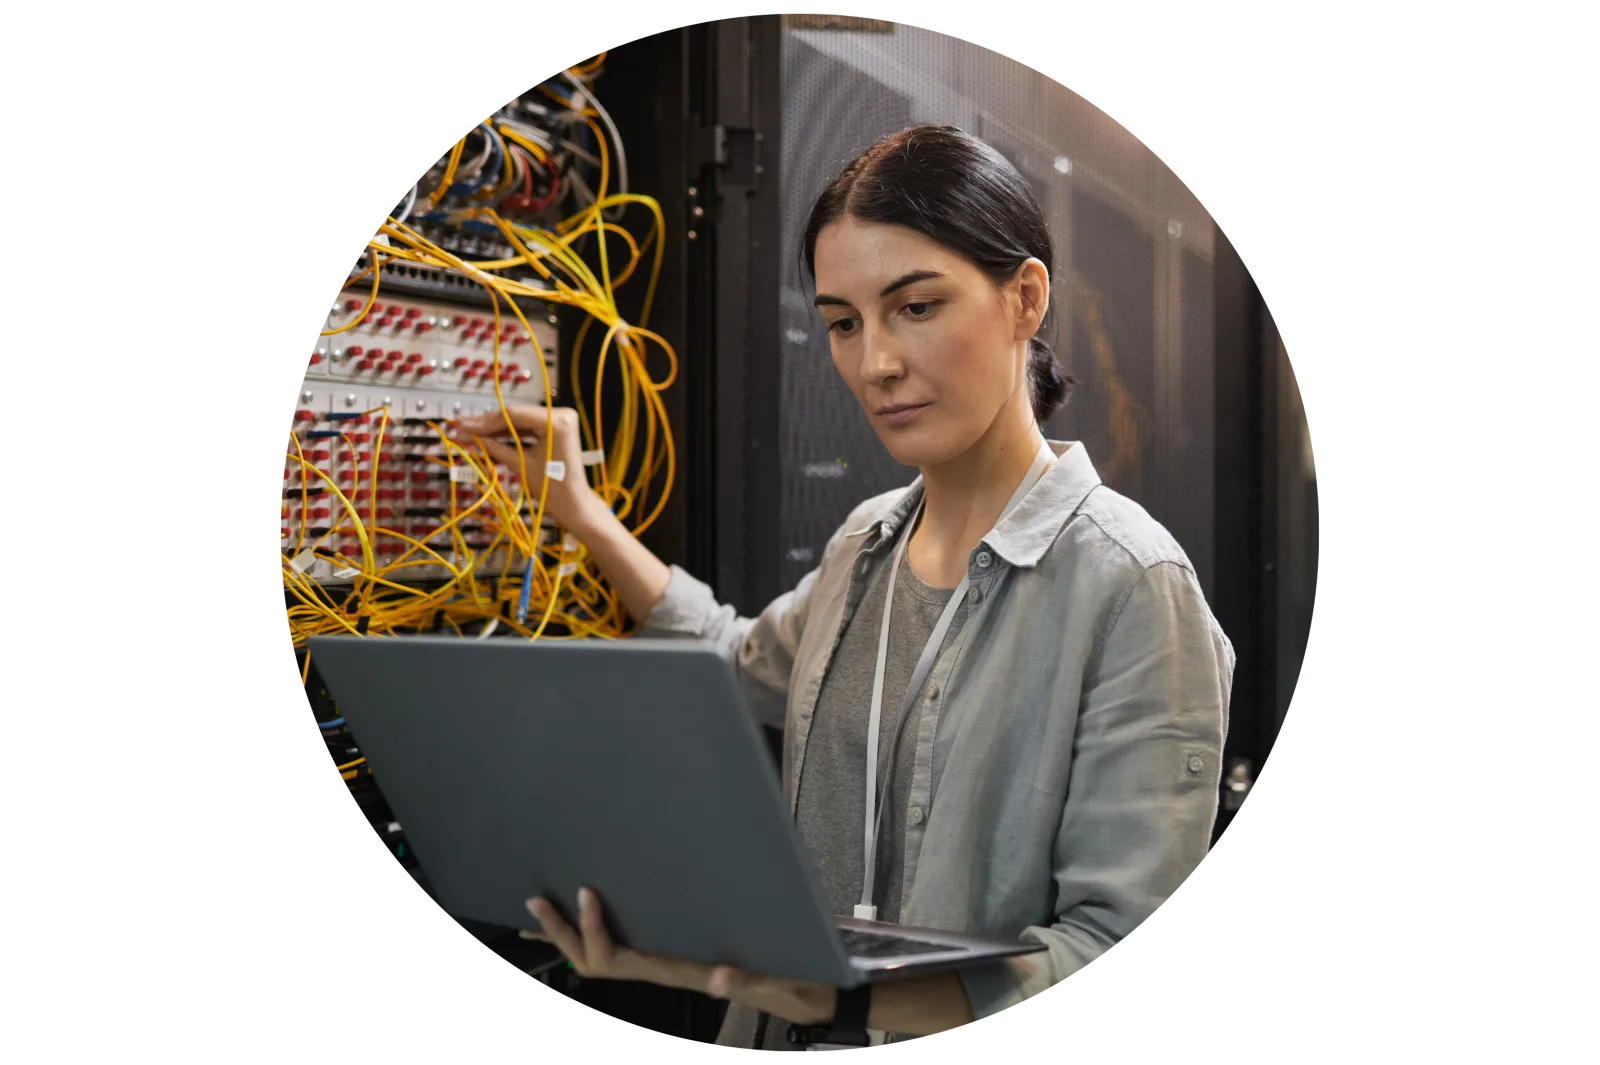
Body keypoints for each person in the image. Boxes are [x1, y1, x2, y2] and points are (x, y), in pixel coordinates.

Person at [449, 124, 1235, 1052]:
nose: (875, 365)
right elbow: (734, 660)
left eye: (915, 307)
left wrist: (840, 998)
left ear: (1025, 298)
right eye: (844, 322)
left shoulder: (1132, 586)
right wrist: (582, 516)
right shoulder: (867, 542)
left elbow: (1108, 941)